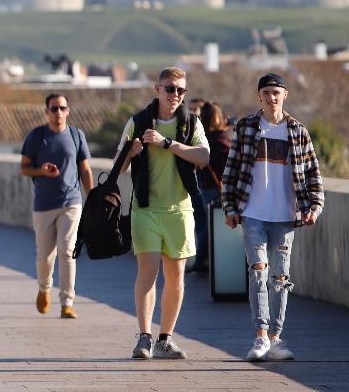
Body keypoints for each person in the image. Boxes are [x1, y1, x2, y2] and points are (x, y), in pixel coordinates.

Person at [222, 73, 324, 362]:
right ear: (259, 96)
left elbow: (313, 174)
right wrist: (230, 208)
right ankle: (261, 336)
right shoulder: (245, 127)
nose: (271, 97)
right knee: (258, 272)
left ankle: (277, 338)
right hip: (252, 212)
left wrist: (314, 207)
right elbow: (231, 171)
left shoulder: (298, 131)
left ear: (285, 96)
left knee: (280, 277)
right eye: (266, 92)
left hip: (285, 215)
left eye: (276, 92)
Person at [115, 67, 211, 360]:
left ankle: (165, 339)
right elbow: (118, 165)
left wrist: (167, 143)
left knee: (176, 276)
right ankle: (144, 337)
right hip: (145, 208)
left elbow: (203, 158)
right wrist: (130, 153)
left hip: (180, 210)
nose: (176, 95)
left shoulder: (191, 123)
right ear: (157, 89)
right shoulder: (138, 121)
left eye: (181, 90)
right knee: (148, 271)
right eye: (170, 89)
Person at [19, 93, 93, 318]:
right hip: (43, 205)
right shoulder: (37, 136)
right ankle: (44, 288)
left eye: (62, 108)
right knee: (45, 256)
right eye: (53, 109)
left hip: (71, 202)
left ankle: (67, 303)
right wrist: (41, 171)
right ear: (46, 112)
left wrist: (92, 199)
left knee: (67, 251)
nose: (58, 112)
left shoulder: (76, 135)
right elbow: (24, 168)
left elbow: (86, 170)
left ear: (68, 111)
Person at [188, 101, 231, 274]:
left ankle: (201, 261)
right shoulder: (220, 139)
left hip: (204, 185)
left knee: (204, 225)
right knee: (210, 226)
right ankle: (202, 262)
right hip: (216, 187)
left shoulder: (202, 138)